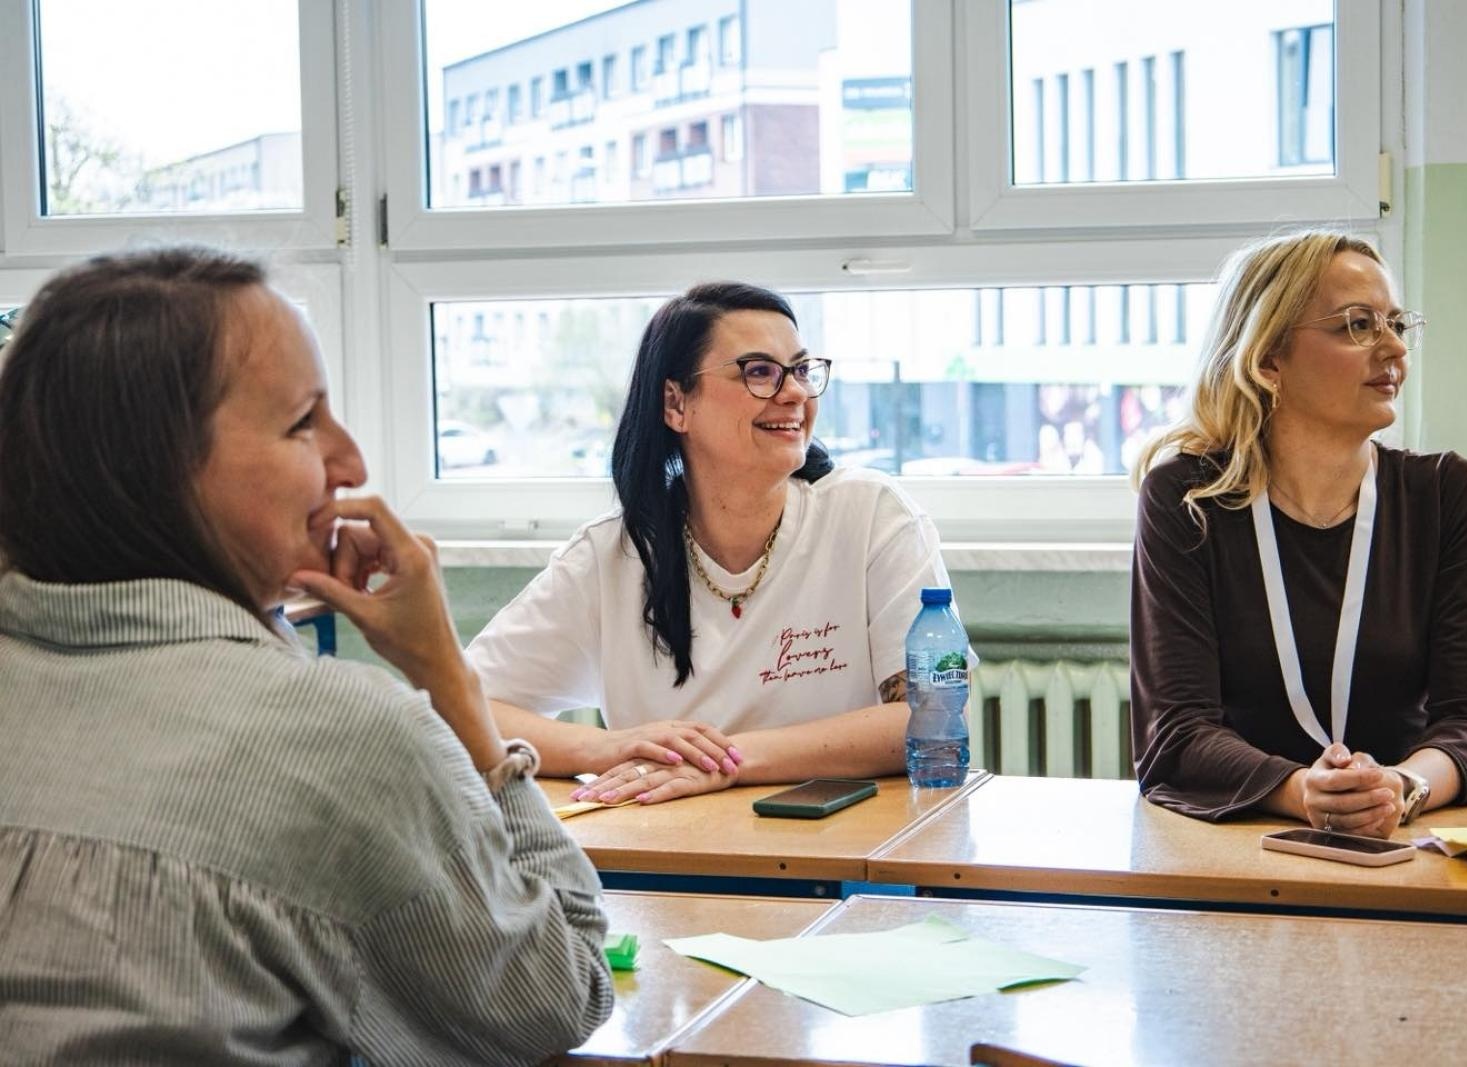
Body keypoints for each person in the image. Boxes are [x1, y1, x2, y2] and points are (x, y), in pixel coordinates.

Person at [0, 248, 612, 1063]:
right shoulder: (345, 735)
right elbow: (555, 996)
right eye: (302, 423)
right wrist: (450, 683)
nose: (350, 463)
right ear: (151, 469)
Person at [468, 282, 956, 806]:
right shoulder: (613, 553)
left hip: (842, 850)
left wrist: (728, 762)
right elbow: (458, 708)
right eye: (759, 372)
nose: (794, 393)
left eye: (800, 370)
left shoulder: (874, 515)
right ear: (676, 403)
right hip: (669, 851)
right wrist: (606, 747)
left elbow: (936, 715)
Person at [1129, 230, 1467, 838]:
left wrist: (1399, 787)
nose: (1393, 347)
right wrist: (1303, 794)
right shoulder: (1186, 500)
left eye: (1396, 323)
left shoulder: (1449, 494)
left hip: (1408, 844)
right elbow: (1176, 733)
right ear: (1267, 359)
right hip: (1238, 851)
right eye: (1357, 325)